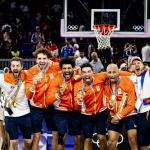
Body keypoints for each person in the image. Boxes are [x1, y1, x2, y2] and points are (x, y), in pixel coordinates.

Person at [25, 48, 60, 150]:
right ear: (36, 60)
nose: (42, 61)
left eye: (44, 58)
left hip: (51, 106)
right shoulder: (31, 72)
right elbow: (28, 95)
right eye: (39, 58)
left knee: (56, 134)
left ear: (49, 59)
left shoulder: (56, 67)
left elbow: (72, 68)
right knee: (36, 136)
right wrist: (33, 85)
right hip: (36, 107)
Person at [49, 58, 82, 150]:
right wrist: (58, 93)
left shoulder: (79, 76)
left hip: (75, 112)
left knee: (78, 138)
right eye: (64, 68)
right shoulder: (56, 79)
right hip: (60, 112)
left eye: (69, 68)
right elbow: (50, 98)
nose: (67, 70)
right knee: (61, 137)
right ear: (61, 69)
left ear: (73, 68)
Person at [0, 57, 32, 150]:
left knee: (28, 142)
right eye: (13, 66)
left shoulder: (26, 76)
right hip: (10, 115)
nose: (15, 68)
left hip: (25, 113)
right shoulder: (3, 78)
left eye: (18, 66)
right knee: (13, 142)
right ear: (10, 67)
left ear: (22, 67)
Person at [74, 63, 108, 150]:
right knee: (87, 139)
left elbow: (116, 72)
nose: (87, 74)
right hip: (86, 116)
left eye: (89, 71)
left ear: (93, 72)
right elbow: (76, 105)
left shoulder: (100, 77)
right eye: (84, 72)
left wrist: (132, 73)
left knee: (101, 137)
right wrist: (79, 100)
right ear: (81, 74)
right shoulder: (78, 86)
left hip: (101, 113)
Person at [104, 63, 138, 150]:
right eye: (109, 72)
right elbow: (107, 103)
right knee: (111, 142)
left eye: (114, 72)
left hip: (129, 114)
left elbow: (131, 105)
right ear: (106, 73)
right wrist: (110, 106)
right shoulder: (106, 84)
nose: (112, 75)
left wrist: (118, 116)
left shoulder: (127, 81)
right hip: (114, 114)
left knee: (132, 138)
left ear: (118, 72)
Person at [128, 56, 150, 150]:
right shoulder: (129, 78)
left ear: (143, 65)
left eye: (139, 62)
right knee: (143, 142)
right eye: (134, 63)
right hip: (139, 113)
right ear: (131, 68)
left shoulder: (148, 74)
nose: (136, 64)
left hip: (148, 109)